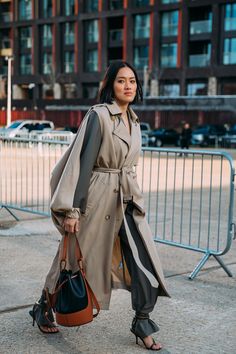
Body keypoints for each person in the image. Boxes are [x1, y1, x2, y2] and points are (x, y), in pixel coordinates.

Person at [29, 61, 170, 351]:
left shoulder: (134, 119)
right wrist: (72, 210)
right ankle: (44, 306)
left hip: (128, 201)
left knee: (145, 263)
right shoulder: (99, 116)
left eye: (132, 81)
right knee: (71, 260)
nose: (128, 86)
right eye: (121, 81)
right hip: (96, 200)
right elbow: (83, 164)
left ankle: (142, 321)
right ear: (110, 85)